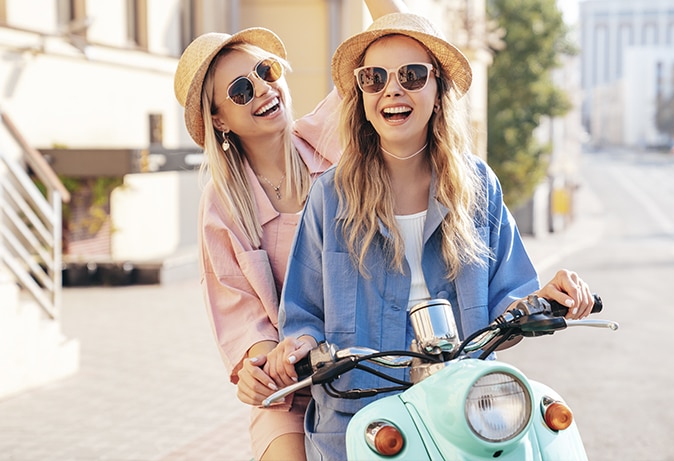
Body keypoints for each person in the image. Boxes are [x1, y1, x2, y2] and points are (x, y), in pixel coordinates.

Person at [268, 12, 595, 461]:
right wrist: (301, 344)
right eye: (374, 78)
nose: (392, 89)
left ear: (438, 89)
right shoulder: (331, 195)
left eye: (412, 75)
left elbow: (510, 304)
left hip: (463, 413)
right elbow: (302, 314)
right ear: (361, 95)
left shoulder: (478, 186)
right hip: (363, 421)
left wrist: (546, 297)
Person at [172, 2, 407, 460]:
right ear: (219, 119)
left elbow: (402, 43)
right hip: (294, 385)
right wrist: (259, 368)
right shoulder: (222, 206)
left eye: (266, 70)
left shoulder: (332, 133)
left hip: (378, 364)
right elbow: (239, 310)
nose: (263, 88)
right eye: (241, 89)